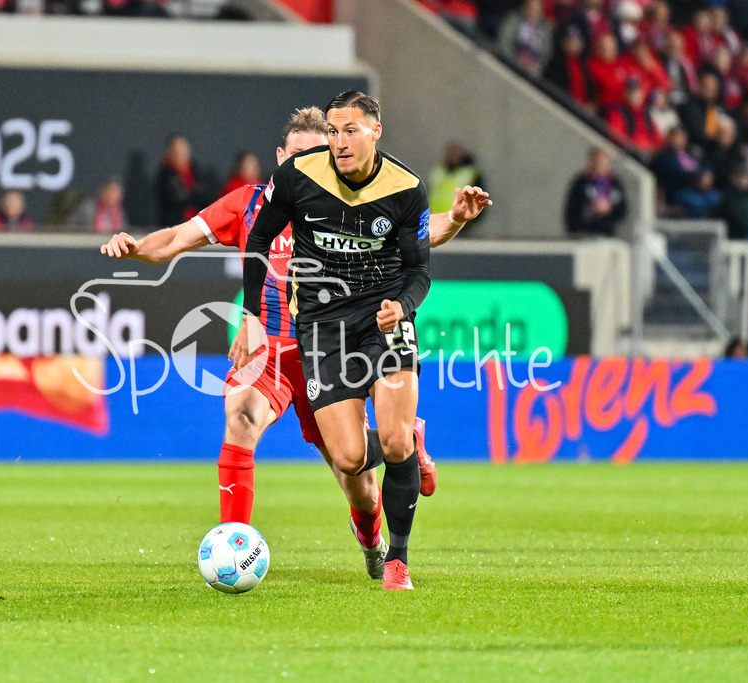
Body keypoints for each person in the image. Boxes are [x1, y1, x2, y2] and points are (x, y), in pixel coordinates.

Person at [102, 106, 490, 586]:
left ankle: (381, 514)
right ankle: (234, 545)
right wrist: (137, 247)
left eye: (321, 152)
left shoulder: (342, 202)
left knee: (360, 482)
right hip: (271, 355)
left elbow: (415, 234)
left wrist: (452, 218)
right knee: (240, 415)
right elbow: (179, 238)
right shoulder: (247, 204)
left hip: (329, 346)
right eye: (301, 156)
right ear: (281, 157)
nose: (312, 165)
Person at [240, 91, 436, 591]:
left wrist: (404, 307)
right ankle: (411, 446)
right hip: (324, 327)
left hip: (385, 321)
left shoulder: (407, 188)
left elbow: (419, 271)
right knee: (348, 459)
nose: (340, 141)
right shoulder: (297, 177)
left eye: (351, 130)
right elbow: (259, 240)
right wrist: (251, 316)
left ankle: (398, 560)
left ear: (375, 132)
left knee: (390, 440)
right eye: (333, 130)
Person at [564, 147, 628, 236]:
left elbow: (622, 210)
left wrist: (608, 210)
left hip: (607, 233)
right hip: (584, 233)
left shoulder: (615, 183)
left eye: (603, 163)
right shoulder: (581, 182)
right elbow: (572, 209)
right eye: (597, 163)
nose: (599, 167)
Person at [154, 133, 207, 226]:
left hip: (197, 226)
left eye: (184, 150)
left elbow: (204, 196)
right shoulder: (165, 174)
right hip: (174, 226)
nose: (182, 154)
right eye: (177, 151)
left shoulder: (195, 171)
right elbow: (174, 200)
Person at [427, 140, 486, 220]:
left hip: (459, 221)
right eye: (450, 153)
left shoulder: (470, 173)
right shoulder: (438, 171)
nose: (452, 156)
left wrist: (470, 220)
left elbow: (479, 199)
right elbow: (427, 192)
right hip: (435, 219)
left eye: (455, 153)